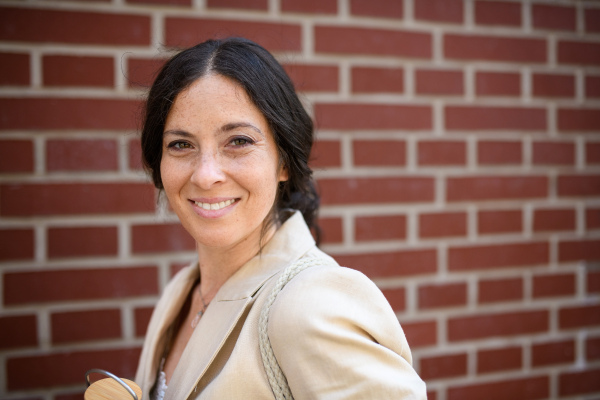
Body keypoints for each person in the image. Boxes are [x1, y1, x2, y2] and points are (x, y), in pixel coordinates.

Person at [135, 37, 427, 400]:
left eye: (238, 141)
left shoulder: (310, 303)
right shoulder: (180, 293)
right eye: (181, 144)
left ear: (284, 161)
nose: (205, 175)